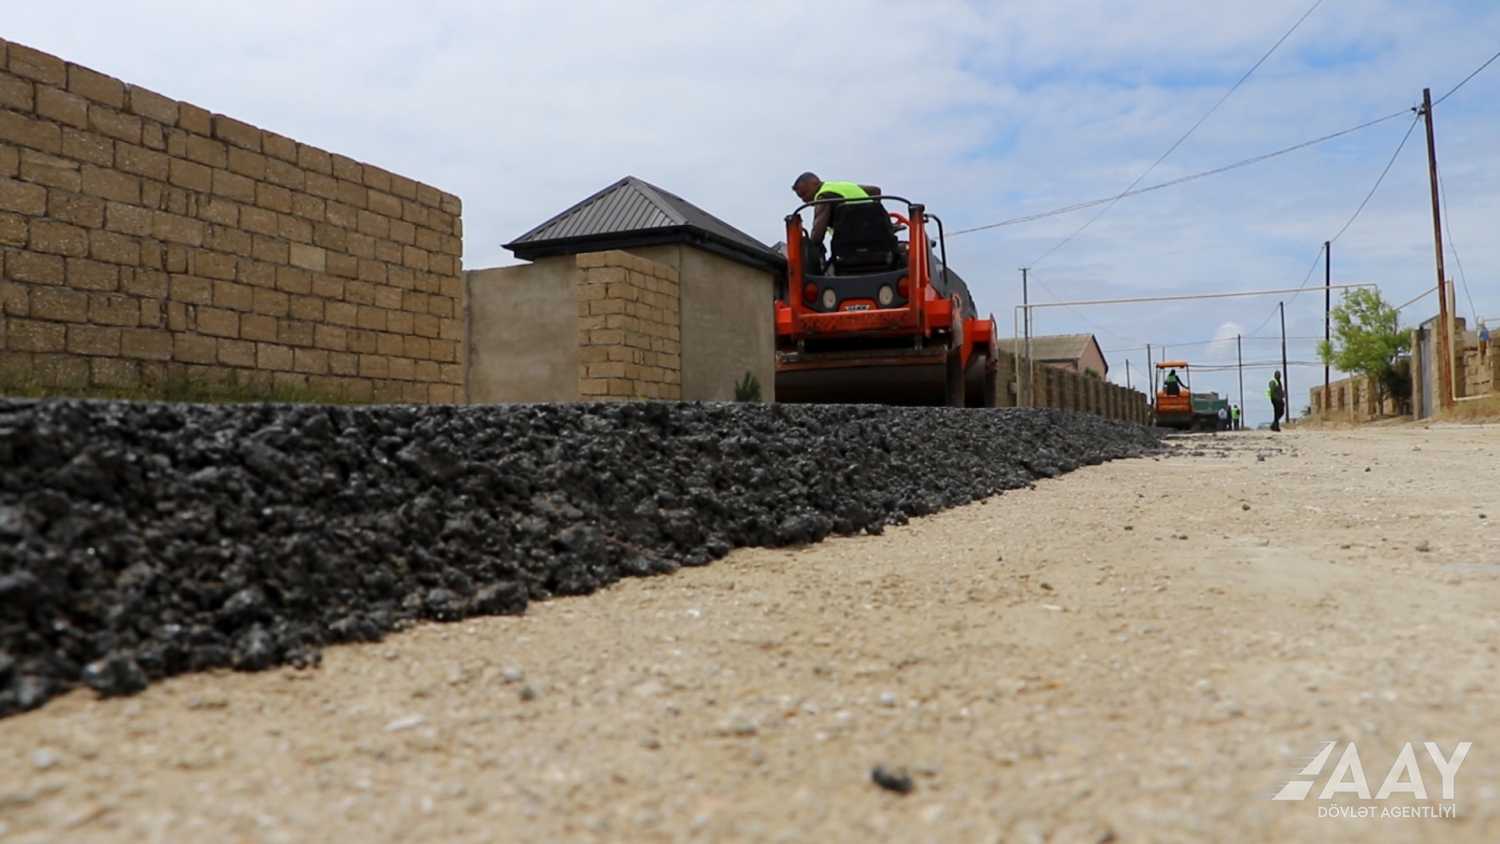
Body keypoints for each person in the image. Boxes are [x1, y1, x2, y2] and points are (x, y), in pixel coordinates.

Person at [791, 172, 883, 250]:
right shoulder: (843, 186)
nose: (804, 200)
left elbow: (817, 236)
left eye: (804, 193)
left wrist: (808, 248)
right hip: (883, 237)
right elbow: (875, 191)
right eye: (801, 197)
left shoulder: (823, 197)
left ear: (814, 183)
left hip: (853, 247)